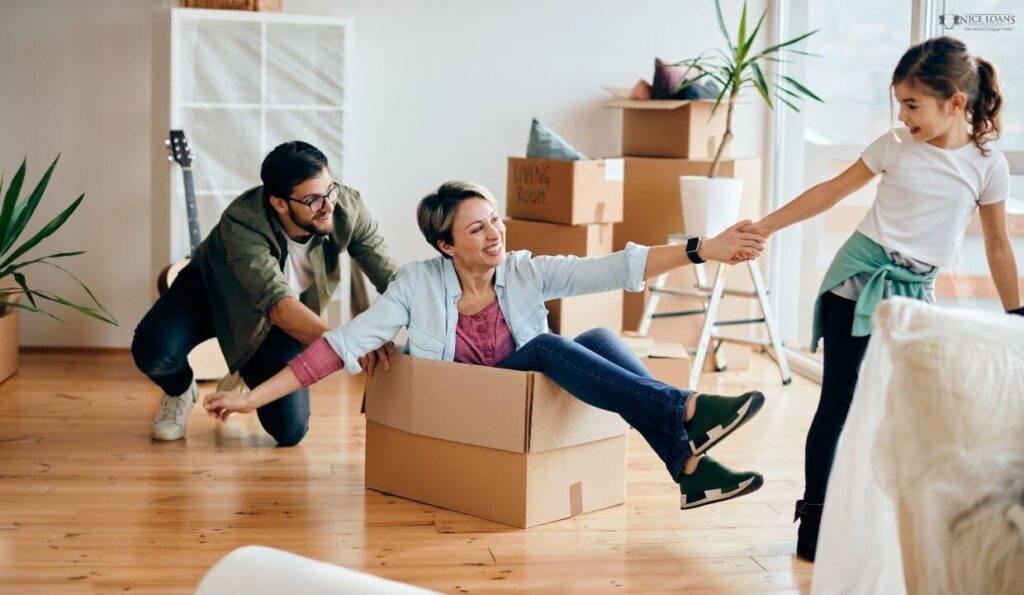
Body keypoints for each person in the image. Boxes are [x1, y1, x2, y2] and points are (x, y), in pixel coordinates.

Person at [205, 180, 772, 510]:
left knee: (598, 335)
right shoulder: (414, 286)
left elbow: (613, 267)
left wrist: (702, 249)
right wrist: (252, 400)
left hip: (518, 400)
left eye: (495, 221)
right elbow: (339, 346)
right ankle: (683, 413)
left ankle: (688, 466)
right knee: (549, 348)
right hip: (464, 407)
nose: (495, 234)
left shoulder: (524, 270)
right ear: (445, 245)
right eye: (476, 229)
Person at [740, 36, 1022, 560]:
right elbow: (829, 192)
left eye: (913, 104)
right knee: (840, 400)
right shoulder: (894, 145)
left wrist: (1017, 314)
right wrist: (764, 228)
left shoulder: (987, 163)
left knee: (917, 404)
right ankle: (816, 521)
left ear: (955, 103)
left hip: (915, 292)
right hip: (859, 279)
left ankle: (901, 519)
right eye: (900, 103)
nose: (904, 114)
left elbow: (1000, 245)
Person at [132, 141, 399, 445]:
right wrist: (347, 344)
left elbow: (391, 278)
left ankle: (244, 368)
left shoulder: (345, 207)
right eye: (313, 199)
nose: (327, 206)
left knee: (290, 432)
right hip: (209, 293)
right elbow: (278, 304)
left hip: (279, 320)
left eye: (330, 189)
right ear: (279, 203)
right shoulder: (242, 221)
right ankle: (179, 390)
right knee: (152, 350)